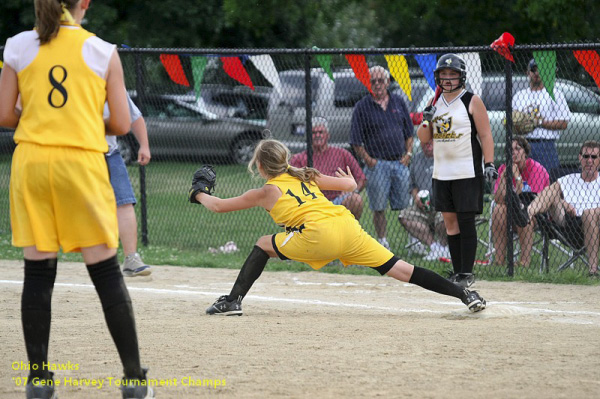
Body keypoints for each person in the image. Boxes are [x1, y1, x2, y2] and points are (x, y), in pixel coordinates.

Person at [0, 1, 153, 398]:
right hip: (79, 164)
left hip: (31, 164)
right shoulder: (102, 50)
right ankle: (134, 381)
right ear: (82, 4)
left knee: (37, 273)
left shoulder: (17, 46)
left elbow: (4, 114)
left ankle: (39, 380)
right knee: (104, 272)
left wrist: (39, 118)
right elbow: (120, 123)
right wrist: (82, 117)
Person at [189, 139, 486, 317]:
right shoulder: (305, 175)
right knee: (402, 270)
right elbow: (350, 184)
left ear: (262, 167)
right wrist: (345, 177)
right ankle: (465, 295)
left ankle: (232, 301)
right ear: (285, 160)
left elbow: (218, 206)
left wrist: (199, 192)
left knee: (263, 244)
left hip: (318, 234)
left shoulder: (267, 190)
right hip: (346, 225)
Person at [416, 53, 497, 288]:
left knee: (466, 220)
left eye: (453, 75)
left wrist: (489, 163)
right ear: (438, 77)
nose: (448, 79)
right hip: (442, 173)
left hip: (467, 171)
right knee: (450, 222)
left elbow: (485, 135)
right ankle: (457, 270)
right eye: (444, 74)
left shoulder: (472, 100)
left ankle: (466, 272)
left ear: (461, 77)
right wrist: (426, 119)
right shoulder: (435, 103)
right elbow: (424, 138)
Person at [350, 65, 414, 250]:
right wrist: (368, 160)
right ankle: (383, 240)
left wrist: (408, 154)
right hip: (376, 164)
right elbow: (355, 140)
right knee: (378, 207)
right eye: (373, 81)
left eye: (381, 80)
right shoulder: (362, 106)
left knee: (405, 204)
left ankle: (412, 240)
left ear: (387, 82)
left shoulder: (398, 102)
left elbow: (409, 132)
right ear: (368, 84)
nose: (377, 84)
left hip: (399, 161)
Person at [527, 140, 600, 276]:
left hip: (595, 225)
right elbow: (548, 193)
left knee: (589, 214)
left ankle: (593, 270)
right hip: (567, 225)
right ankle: (528, 213)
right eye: (586, 156)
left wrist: (592, 212)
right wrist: (563, 202)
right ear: (579, 157)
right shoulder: (568, 179)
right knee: (551, 190)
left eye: (594, 157)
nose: (589, 161)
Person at [104, 93, 152, 277]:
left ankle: (131, 259)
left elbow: (134, 116)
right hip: (76, 154)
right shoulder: (72, 78)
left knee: (124, 201)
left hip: (109, 153)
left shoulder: (109, 80)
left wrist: (144, 146)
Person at [289, 117, 365, 220]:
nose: (317, 135)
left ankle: (349, 233)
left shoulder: (342, 154)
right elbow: (289, 185)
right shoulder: (299, 159)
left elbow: (361, 178)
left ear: (328, 135)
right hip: (312, 203)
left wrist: (352, 191)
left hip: (338, 200)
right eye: (314, 133)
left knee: (356, 199)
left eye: (321, 132)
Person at [492, 137, 549, 267]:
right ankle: (499, 261)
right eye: (510, 150)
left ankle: (524, 261)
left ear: (525, 152)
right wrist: (504, 177)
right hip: (509, 212)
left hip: (532, 213)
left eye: (518, 149)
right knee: (498, 210)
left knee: (523, 214)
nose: (514, 153)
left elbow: (529, 199)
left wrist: (517, 178)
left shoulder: (537, 170)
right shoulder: (503, 168)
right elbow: (499, 199)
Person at [512, 58, 571, 174]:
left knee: (547, 180)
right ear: (528, 72)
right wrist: (520, 126)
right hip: (522, 144)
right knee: (523, 180)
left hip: (545, 145)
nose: (537, 73)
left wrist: (539, 123)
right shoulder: (519, 96)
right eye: (533, 70)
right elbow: (512, 124)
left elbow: (564, 123)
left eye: (541, 70)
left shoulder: (554, 94)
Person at [398, 140, 451, 261]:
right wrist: (417, 197)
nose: (428, 145)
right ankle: (435, 248)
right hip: (423, 208)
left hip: (443, 206)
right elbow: (412, 186)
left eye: (431, 141)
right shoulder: (416, 159)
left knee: (443, 218)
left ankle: (445, 247)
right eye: (425, 142)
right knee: (404, 216)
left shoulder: (445, 157)